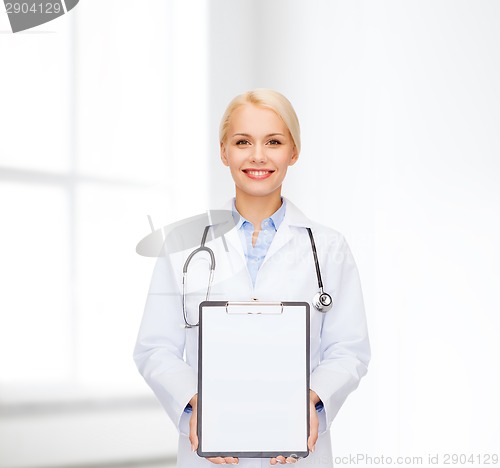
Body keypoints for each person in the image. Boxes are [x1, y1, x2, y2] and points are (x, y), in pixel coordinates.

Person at [134, 89, 371, 467]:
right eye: (243, 142)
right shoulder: (182, 244)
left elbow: (348, 349)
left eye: (273, 142)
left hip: (297, 450)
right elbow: (155, 348)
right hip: (210, 450)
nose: (258, 155)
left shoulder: (328, 247)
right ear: (224, 151)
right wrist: (198, 402)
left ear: (293, 152)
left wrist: (310, 399)